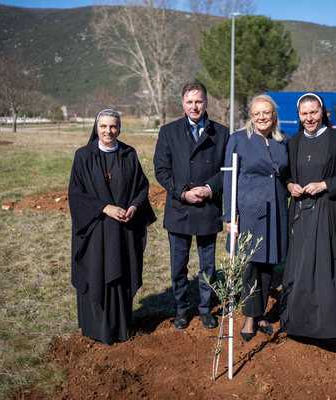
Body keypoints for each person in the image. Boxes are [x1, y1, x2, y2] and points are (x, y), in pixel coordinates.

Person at [68, 108, 156, 345]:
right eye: (104, 126)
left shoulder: (129, 154)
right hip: (95, 230)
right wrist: (104, 208)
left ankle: (121, 326)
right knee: (96, 271)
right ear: (96, 128)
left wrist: (135, 207)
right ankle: (95, 328)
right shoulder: (83, 156)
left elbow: (141, 187)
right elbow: (76, 195)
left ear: (120, 128)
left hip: (122, 231)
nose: (109, 131)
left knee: (121, 273)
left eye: (113, 126)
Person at [280, 93, 336, 339]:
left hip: (330, 213)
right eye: (304, 114)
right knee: (302, 265)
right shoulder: (292, 143)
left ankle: (328, 326)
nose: (309, 118)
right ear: (299, 116)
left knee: (327, 267)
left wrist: (325, 184)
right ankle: (299, 323)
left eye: (314, 112)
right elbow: (285, 176)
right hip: (302, 215)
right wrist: (290, 185)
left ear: (322, 112)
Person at [153, 82, 229, 330]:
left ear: (206, 103)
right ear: (182, 104)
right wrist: (183, 192)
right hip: (180, 207)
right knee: (179, 265)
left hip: (208, 208)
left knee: (208, 265)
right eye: (189, 101)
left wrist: (208, 189)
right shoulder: (168, 132)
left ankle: (206, 309)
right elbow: (162, 170)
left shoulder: (222, 133)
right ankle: (182, 309)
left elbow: (226, 171)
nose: (194, 106)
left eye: (198, 101)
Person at [223, 94, 288, 341]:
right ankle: (250, 317)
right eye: (257, 113)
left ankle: (260, 313)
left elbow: (287, 174)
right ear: (251, 115)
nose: (262, 117)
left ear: (274, 116)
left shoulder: (283, 141)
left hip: (276, 211)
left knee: (268, 263)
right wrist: (230, 216)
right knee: (250, 265)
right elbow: (229, 180)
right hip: (249, 212)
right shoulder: (239, 140)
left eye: (267, 113)